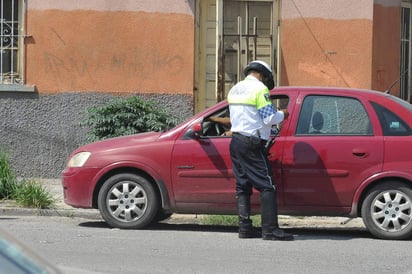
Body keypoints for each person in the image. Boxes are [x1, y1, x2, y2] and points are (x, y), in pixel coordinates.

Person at [227, 60, 293, 241]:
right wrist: (284, 114)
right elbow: (269, 117)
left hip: (236, 141)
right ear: (263, 75)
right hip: (252, 143)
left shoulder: (234, 89)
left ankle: (245, 228)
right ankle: (270, 230)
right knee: (267, 185)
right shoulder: (259, 89)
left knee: (242, 185)